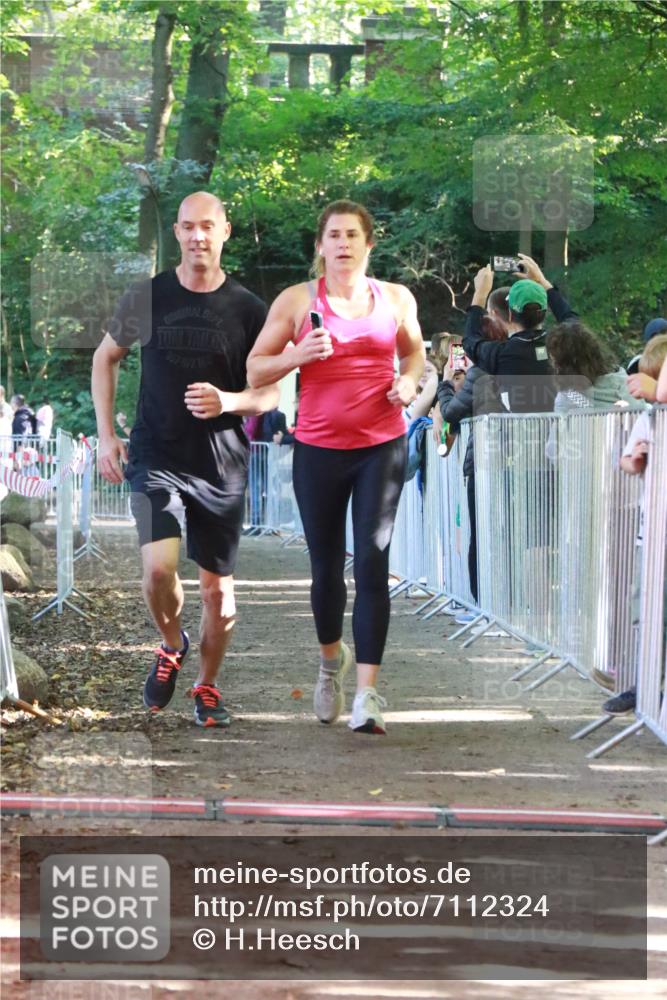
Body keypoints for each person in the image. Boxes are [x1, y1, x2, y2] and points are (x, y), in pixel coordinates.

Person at [92, 191, 278, 727]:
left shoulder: (249, 308)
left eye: (208, 227)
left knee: (219, 596)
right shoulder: (147, 297)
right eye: (188, 227)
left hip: (221, 465)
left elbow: (267, 394)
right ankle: (172, 643)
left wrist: (231, 401)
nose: (198, 236)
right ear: (176, 232)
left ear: (225, 232)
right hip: (157, 455)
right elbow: (106, 359)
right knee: (158, 571)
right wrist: (107, 436)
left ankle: (207, 686)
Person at [247, 199, 425, 735]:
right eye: (334, 235)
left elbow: (415, 355)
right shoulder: (298, 301)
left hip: (381, 446)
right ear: (320, 246)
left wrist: (409, 382)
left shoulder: (395, 298)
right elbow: (256, 368)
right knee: (326, 569)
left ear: (369, 244)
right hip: (319, 449)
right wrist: (297, 356)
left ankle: (368, 695)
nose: (343, 244)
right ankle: (331, 663)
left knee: (372, 563)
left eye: (353, 235)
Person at [603, 334, 667, 715]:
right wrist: (636, 460)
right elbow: (626, 460)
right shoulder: (648, 416)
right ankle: (644, 687)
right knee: (644, 611)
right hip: (651, 530)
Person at [437, 289, 510, 615]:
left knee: (480, 537)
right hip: (528, 462)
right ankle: (512, 607)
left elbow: (452, 412)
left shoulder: (481, 371)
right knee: (515, 537)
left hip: (484, 463)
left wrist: (443, 384)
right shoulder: (538, 359)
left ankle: (483, 607)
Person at [462, 254, 577, 413]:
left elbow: (470, 341)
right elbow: (572, 320)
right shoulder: (561, 345)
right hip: (562, 433)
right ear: (544, 312)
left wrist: (480, 294)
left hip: (519, 435)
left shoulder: (502, 354)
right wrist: (543, 282)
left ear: (509, 315)